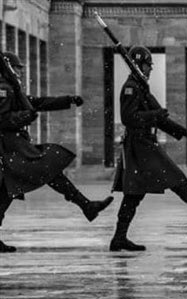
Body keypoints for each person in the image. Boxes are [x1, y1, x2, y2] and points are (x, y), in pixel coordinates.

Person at [110, 46, 187, 252]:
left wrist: (184, 132)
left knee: (134, 194)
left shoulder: (141, 87)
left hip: (144, 144)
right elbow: (128, 118)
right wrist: (154, 115)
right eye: (148, 65)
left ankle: (119, 238)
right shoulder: (131, 87)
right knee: (175, 178)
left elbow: (161, 118)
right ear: (139, 65)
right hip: (140, 145)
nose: (150, 68)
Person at [0, 51, 113, 253]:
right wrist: (24, 117)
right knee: (44, 170)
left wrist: (67, 100)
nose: (21, 72)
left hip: (15, 148)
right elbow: (2, 119)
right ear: (9, 67)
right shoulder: (4, 89)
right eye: (17, 68)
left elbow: (37, 102)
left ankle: (86, 205)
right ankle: (85, 205)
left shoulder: (12, 88)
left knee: (14, 188)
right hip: (10, 149)